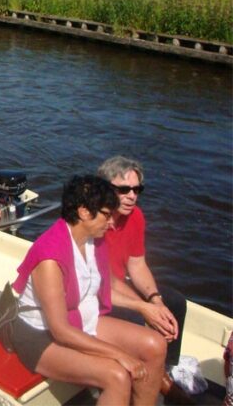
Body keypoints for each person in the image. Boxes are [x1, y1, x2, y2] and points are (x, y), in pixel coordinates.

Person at [11, 175, 166, 405]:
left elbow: (109, 285)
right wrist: (120, 355)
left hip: (82, 320)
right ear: (84, 212)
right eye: (106, 214)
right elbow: (60, 331)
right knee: (117, 376)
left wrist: (145, 306)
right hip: (40, 336)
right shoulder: (50, 259)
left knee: (155, 345)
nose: (111, 222)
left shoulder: (94, 241)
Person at [97, 156, 190, 395]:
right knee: (138, 319)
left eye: (136, 190)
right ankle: (148, 379)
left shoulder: (135, 216)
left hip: (117, 286)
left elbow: (137, 265)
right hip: (95, 293)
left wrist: (155, 300)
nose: (132, 196)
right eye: (124, 190)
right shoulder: (94, 222)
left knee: (175, 302)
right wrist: (143, 307)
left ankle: (163, 369)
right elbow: (102, 282)